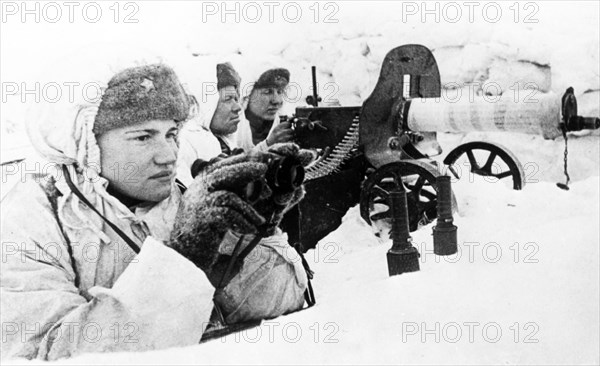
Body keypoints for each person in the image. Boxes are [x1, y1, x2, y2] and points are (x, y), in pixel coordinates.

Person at [0, 63, 308, 360]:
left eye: (172, 133)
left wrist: (252, 235)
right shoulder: (31, 220)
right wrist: (185, 256)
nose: (169, 155)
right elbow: (47, 354)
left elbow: (282, 304)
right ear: (86, 141)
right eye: (144, 137)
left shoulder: (179, 196)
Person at [177, 62, 243, 186]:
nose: (237, 107)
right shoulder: (185, 140)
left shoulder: (224, 138)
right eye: (228, 99)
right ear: (208, 105)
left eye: (236, 99)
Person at [236, 68, 295, 152]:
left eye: (280, 92)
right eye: (267, 92)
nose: (276, 101)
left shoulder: (283, 127)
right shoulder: (233, 130)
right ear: (248, 95)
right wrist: (268, 144)